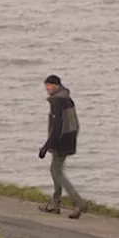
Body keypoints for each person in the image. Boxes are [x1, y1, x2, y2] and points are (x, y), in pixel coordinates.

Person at [38, 74, 86, 219]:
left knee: (57, 172)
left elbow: (57, 127)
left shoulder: (57, 102)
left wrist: (46, 147)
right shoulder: (67, 98)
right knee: (55, 170)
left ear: (57, 86)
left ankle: (79, 202)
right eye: (46, 85)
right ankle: (55, 203)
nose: (47, 88)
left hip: (61, 140)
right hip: (69, 137)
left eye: (50, 85)